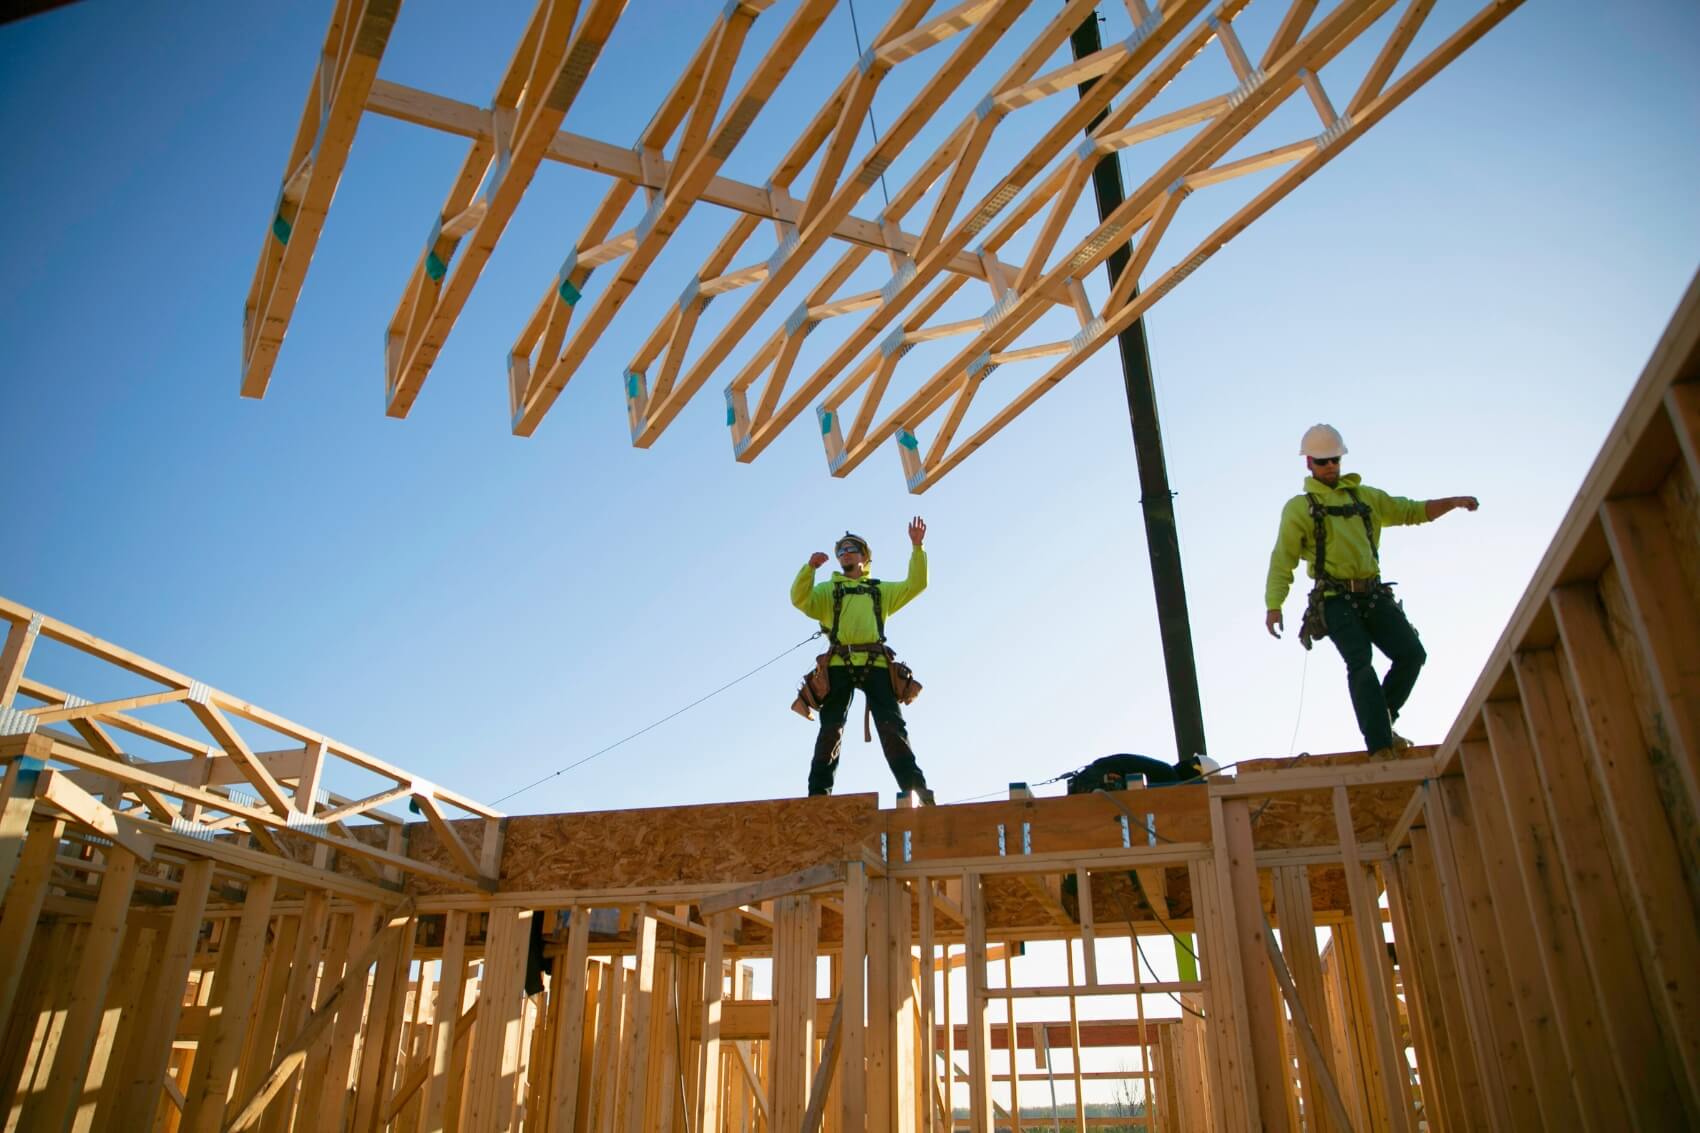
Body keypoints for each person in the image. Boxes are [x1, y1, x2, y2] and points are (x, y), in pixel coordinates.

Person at [1264, 424, 1478, 758]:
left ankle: (1383, 720)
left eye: (1335, 460)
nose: (1330, 466)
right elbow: (1283, 559)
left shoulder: (1365, 498)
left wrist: (1451, 502)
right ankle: (1380, 745)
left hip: (1373, 594)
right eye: (1322, 461)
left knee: (1412, 654)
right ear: (1309, 463)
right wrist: (1274, 604)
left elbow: (1411, 510)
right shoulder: (1299, 508)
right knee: (1360, 662)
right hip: (1335, 600)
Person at [792, 518, 935, 803]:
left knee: (892, 728)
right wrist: (809, 569)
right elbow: (800, 599)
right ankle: (817, 799)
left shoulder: (879, 590)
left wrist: (917, 548)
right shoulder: (827, 590)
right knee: (830, 730)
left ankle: (918, 794)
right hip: (838, 665)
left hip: (876, 665)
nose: (845, 553)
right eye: (841, 550)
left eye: (851, 549)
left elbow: (916, 584)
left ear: (864, 556)